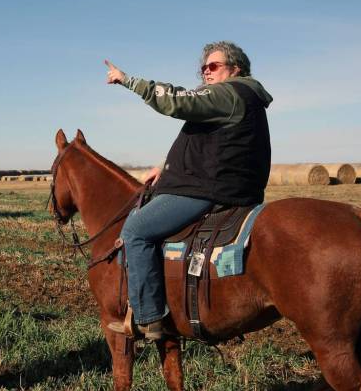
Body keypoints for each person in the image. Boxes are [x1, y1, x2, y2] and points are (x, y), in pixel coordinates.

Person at [103, 41, 272, 341]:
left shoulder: (228, 92)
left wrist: (128, 80)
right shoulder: (242, 98)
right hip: (223, 184)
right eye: (204, 67)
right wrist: (165, 167)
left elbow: (177, 101)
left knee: (135, 231)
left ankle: (148, 317)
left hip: (209, 189)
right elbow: (213, 147)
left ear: (236, 69)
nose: (206, 71)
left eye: (214, 66)